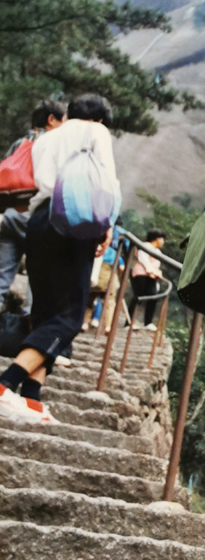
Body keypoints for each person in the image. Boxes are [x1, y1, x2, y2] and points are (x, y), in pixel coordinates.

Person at [0, 94, 119, 424]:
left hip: (38, 222)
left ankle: (32, 400)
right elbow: (107, 181)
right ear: (99, 119)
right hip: (72, 220)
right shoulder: (96, 133)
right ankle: (6, 382)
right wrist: (107, 225)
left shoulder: (45, 138)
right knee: (68, 317)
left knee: (45, 313)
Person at [0, 101, 67, 315]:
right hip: (36, 217)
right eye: (64, 120)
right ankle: (27, 336)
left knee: (1, 278)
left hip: (10, 216)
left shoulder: (20, 143)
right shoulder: (55, 144)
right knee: (39, 282)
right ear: (52, 120)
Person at [127, 228, 166, 331]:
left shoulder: (158, 251)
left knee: (153, 297)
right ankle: (128, 322)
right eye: (162, 239)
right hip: (141, 274)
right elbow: (143, 259)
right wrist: (151, 271)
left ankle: (148, 322)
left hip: (151, 277)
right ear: (157, 239)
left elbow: (156, 265)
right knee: (138, 297)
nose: (163, 242)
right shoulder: (145, 246)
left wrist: (157, 273)